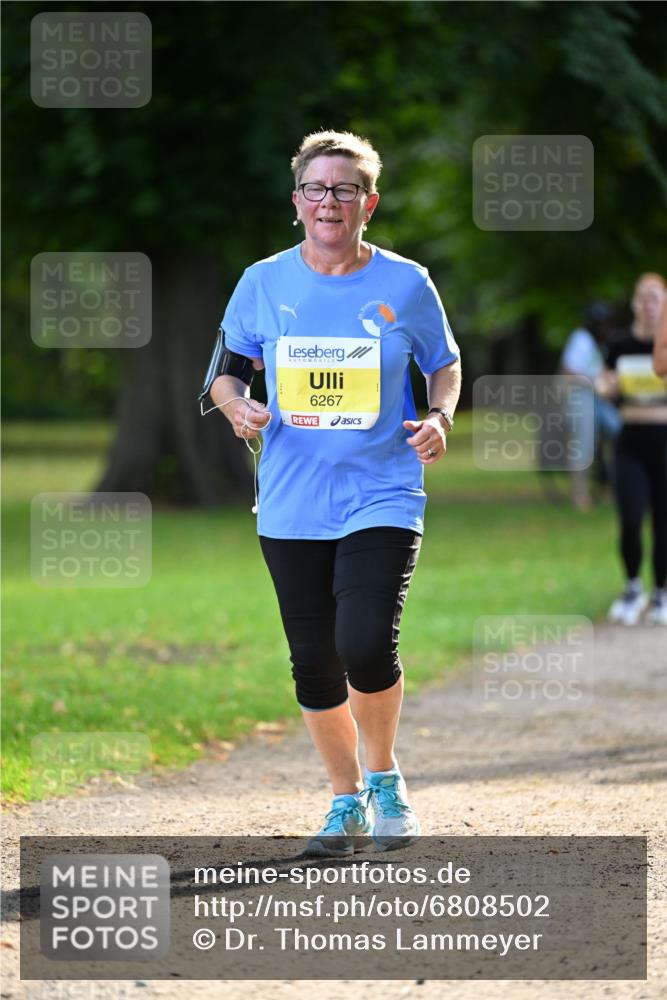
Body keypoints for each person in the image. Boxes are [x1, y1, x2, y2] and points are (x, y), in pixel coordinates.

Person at [199, 130, 461, 855]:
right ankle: (344, 801)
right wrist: (235, 406)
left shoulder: (405, 283)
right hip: (289, 498)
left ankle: (383, 780)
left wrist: (439, 416)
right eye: (316, 189)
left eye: (344, 189)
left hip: (382, 488)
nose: (329, 202)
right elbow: (225, 372)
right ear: (296, 202)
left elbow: (444, 363)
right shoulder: (263, 282)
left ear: (367, 204)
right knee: (313, 659)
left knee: (365, 641)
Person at [597, 273, 667, 626]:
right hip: (630, 441)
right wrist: (605, 385)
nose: (650, 305)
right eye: (644, 298)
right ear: (635, 303)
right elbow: (603, 381)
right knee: (630, 518)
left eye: (657, 298)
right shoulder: (619, 344)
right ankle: (633, 587)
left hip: (664, 440)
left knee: (663, 521)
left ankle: (661, 593)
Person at [559, 302, 621, 509]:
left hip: (596, 398)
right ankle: (580, 496)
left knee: (617, 431)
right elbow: (569, 371)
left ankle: (611, 486)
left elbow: (600, 369)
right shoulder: (580, 339)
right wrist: (594, 381)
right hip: (581, 397)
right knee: (582, 448)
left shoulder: (595, 343)